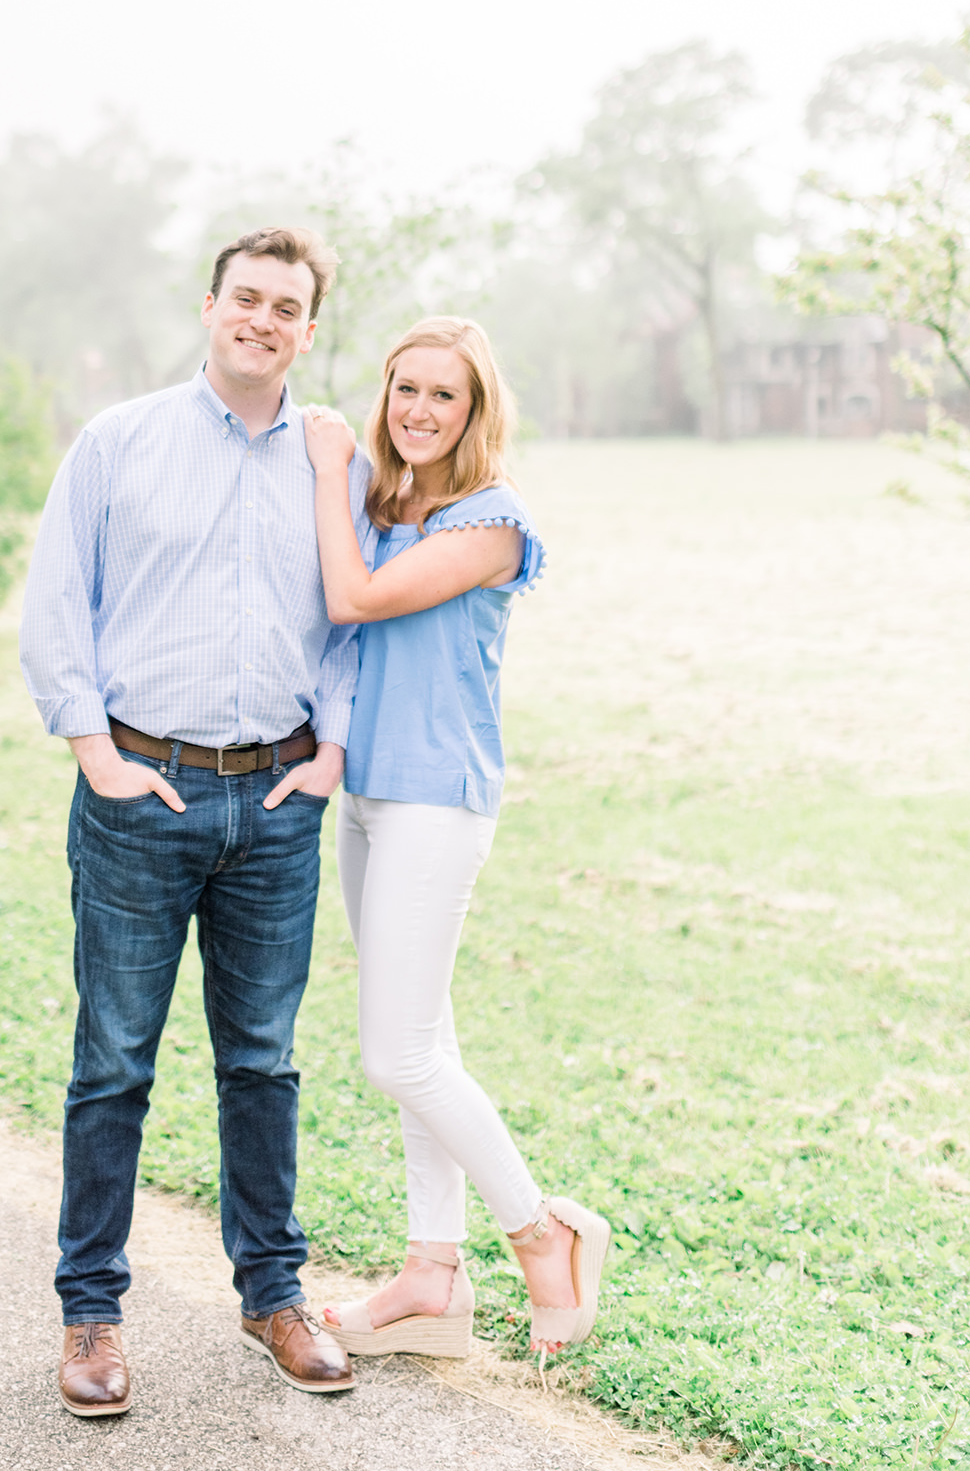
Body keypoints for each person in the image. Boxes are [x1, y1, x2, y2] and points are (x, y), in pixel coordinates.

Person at [20, 227, 367, 1419]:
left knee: (262, 1061)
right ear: (209, 307)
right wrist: (93, 753)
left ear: (308, 334)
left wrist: (327, 753)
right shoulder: (120, 442)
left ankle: (276, 1297)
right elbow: (57, 600)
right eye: (246, 299)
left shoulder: (334, 462)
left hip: (274, 804)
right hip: (141, 796)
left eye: (287, 309)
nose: (262, 320)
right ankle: (90, 1318)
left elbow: (351, 618)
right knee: (113, 1060)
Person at [301, 316, 610, 1364]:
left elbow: (353, 598)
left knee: (395, 1054)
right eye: (405, 389)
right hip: (371, 798)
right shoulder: (391, 505)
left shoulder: (490, 522)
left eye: (444, 395)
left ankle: (541, 1233)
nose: (419, 410)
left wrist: (326, 462)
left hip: (439, 798)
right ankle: (431, 1277)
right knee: (425, 1042)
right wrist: (352, 481)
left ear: (476, 411)